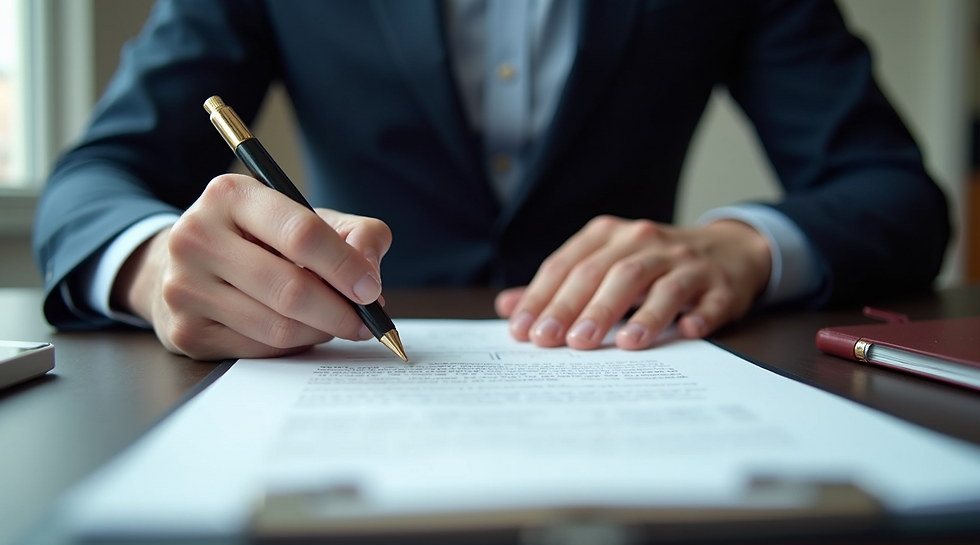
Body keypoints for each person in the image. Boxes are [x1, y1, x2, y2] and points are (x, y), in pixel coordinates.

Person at [33, 0, 949, 361]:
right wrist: (156, 264)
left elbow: (895, 190)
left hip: (625, 381)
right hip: (349, 378)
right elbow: (94, 178)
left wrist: (746, 244)